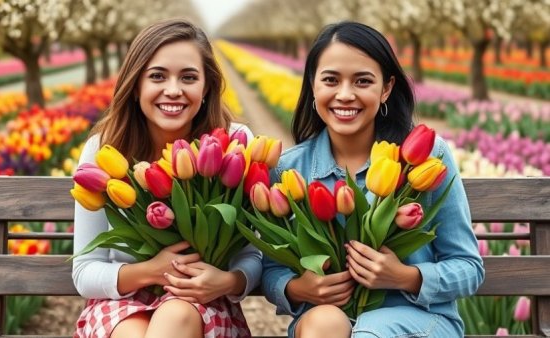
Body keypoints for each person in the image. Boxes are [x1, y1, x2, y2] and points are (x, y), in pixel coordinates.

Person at [262, 21, 484, 338]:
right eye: (331, 80)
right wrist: (301, 288)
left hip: (419, 320)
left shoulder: (423, 158)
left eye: (362, 81)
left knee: (370, 333)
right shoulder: (288, 169)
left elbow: (469, 267)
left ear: (386, 88)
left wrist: (405, 277)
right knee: (324, 323)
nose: (345, 94)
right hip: (326, 321)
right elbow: (273, 269)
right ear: (313, 84)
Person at [72, 19, 260, 338]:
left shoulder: (234, 142)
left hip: (203, 300)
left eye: (188, 77)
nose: (173, 90)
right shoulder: (106, 149)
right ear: (135, 85)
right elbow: (85, 270)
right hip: (122, 300)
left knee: (176, 315)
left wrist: (229, 281)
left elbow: (254, 253)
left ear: (207, 87)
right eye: (157, 76)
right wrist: (151, 271)